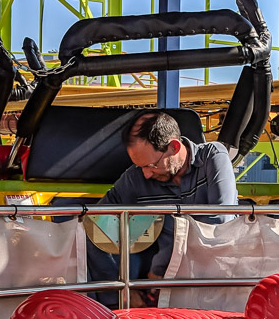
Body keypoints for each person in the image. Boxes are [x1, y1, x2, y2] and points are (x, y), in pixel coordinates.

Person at [92, 110, 237, 306]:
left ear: (174, 147)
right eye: (140, 166)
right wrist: (118, 291)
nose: (146, 175)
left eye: (151, 165)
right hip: (165, 289)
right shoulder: (135, 178)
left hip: (220, 283)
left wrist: (163, 267)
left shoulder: (213, 157)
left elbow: (220, 226)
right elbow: (94, 226)